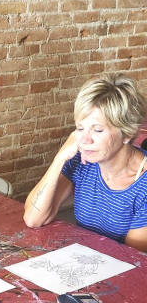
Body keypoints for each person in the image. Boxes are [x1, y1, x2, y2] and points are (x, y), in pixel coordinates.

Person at [23, 73, 147, 252]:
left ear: (127, 133)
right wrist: (60, 158)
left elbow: (133, 258)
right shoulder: (82, 161)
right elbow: (33, 219)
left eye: (98, 130)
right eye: (80, 128)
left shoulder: (143, 184)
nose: (85, 140)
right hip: (83, 257)